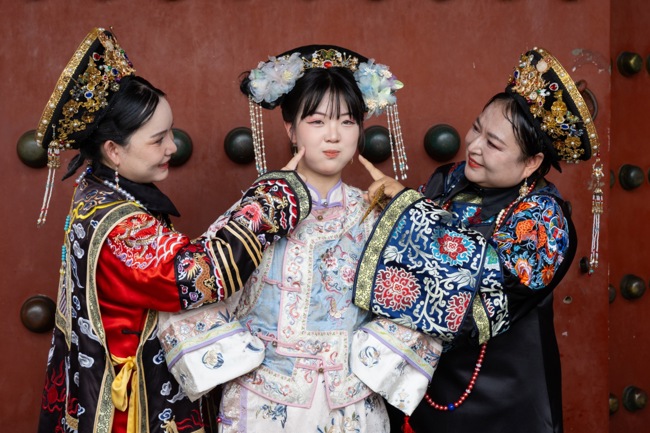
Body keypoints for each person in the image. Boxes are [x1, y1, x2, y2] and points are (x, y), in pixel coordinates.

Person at [35, 28, 311, 433]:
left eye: (170, 132)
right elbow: (197, 274)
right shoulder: (118, 225)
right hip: (131, 409)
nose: (172, 147)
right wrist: (270, 200)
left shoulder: (96, 190)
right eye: (158, 139)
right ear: (113, 150)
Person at [353, 47, 601, 433]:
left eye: (494, 144)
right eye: (476, 128)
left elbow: (486, 289)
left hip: (505, 400)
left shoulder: (544, 220)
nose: (473, 146)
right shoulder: (447, 179)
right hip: (425, 387)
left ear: (532, 162)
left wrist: (407, 211)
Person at [200, 45, 417, 433]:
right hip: (266, 401)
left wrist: (371, 359)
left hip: (353, 404)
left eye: (347, 121)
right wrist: (245, 357)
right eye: (317, 121)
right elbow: (197, 288)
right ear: (291, 128)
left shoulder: (379, 214)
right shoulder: (258, 210)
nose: (333, 135)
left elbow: (419, 301)